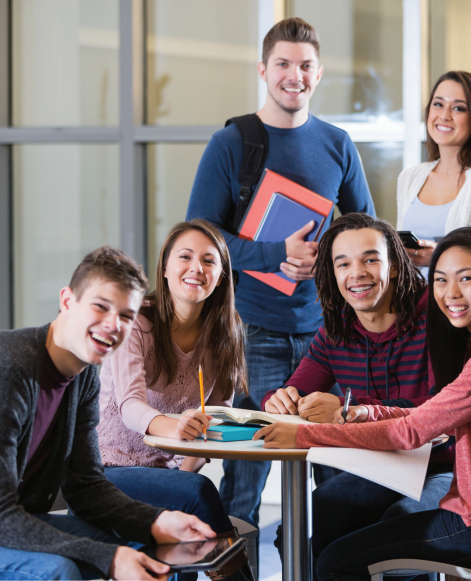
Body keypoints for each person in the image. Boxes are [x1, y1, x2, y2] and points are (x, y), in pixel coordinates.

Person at [255, 228, 471, 581]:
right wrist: (365, 412)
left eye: (466, 279)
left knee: (338, 561)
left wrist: (309, 437)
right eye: (441, 279)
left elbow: (413, 430)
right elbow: (432, 415)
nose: (450, 293)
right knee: (322, 520)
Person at [0, 247, 218, 581]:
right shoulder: (2, 370)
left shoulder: (81, 378)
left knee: (143, 548)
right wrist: (108, 559)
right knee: (56, 571)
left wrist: (156, 522)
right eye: (100, 306)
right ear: (67, 301)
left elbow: (86, 488)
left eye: (126, 316)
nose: (113, 325)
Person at [185, 16, 376, 527]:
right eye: (284, 64)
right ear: (263, 70)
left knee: (336, 472)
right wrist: (274, 253)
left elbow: (366, 231)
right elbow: (199, 238)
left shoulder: (338, 144)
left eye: (306, 66)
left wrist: (331, 252)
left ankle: (320, 564)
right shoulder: (231, 144)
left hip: (330, 334)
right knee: (247, 477)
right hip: (257, 331)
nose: (295, 76)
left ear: (319, 73)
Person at [259, 213, 454, 563]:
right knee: (300, 527)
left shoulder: (438, 323)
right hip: (374, 467)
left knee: (401, 523)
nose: (357, 272)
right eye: (343, 263)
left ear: (394, 266)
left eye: (370, 259)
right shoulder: (336, 331)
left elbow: (439, 415)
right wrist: (280, 399)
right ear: (333, 275)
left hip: (439, 467)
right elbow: (292, 391)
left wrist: (347, 410)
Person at [97, 221, 246, 544]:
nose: (197, 268)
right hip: (107, 469)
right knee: (197, 495)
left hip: (167, 473)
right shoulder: (135, 323)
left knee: (190, 506)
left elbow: (217, 416)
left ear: (221, 276)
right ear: (165, 267)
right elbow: (130, 406)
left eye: (209, 261)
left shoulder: (224, 333)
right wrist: (175, 429)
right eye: (185, 257)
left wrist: (183, 472)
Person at [397, 71, 471, 278]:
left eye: (458, 108)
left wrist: (440, 255)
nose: (444, 115)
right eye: (438, 104)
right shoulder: (410, 177)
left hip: (460, 307)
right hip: (414, 306)